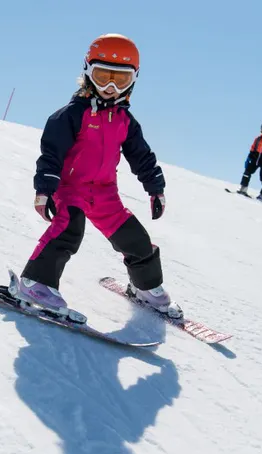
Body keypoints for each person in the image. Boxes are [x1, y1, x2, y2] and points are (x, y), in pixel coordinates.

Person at [13, 33, 180, 318]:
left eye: (121, 79)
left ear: (133, 80)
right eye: (103, 76)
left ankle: (145, 288)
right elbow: (51, 154)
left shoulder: (125, 121)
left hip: (105, 194)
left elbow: (142, 157)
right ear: (88, 73)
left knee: (136, 239)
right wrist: (44, 189)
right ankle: (35, 283)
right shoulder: (70, 115)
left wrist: (156, 189)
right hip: (70, 189)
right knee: (69, 228)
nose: (111, 87)